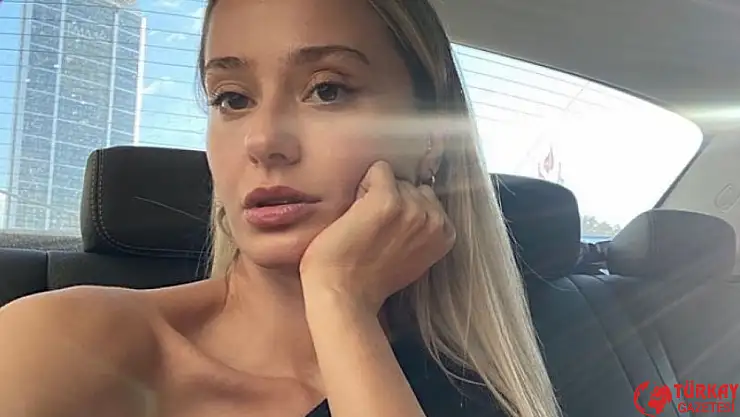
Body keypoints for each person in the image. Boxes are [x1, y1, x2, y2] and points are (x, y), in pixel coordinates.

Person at [0, 0, 560, 416]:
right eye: (232, 98)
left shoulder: (477, 389)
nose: (264, 141)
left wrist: (339, 302)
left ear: (431, 138)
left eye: (328, 90)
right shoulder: (54, 343)